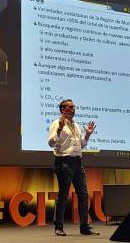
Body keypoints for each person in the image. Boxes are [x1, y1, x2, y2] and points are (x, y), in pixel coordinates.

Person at [48, 99, 99, 236]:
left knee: (83, 194)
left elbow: (80, 145)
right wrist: (59, 128)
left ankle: (84, 226)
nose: (73, 109)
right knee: (63, 195)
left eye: (74, 107)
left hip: (77, 162)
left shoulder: (76, 125)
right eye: (70, 107)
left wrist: (87, 135)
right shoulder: (56, 124)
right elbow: (51, 143)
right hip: (64, 161)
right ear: (63, 110)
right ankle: (58, 227)